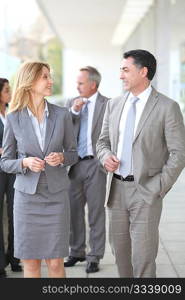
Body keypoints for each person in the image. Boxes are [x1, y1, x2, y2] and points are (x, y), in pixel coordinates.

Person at [96, 49, 185, 278]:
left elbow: (179, 153)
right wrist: (106, 157)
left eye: (125, 70)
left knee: (143, 259)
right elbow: (102, 142)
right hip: (115, 191)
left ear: (143, 71)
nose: (120, 75)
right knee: (121, 257)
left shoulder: (167, 107)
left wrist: (159, 186)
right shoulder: (114, 104)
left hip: (146, 190)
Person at [1, 62, 78, 278]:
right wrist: (24, 163)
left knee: (55, 264)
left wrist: (62, 157)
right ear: (30, 81)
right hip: (27, 200)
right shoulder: (14, 117)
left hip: (56, 197)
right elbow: (5, 161)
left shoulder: (62, 114)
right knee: (31, 264)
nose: (50, 81)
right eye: (45, 77)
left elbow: (73, 153)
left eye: (49, 76)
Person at [65, 66, 109, 273]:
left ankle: (95, 256)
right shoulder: (71, 104)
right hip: (74, 164)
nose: (77, 86)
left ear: (93, 84)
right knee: (73, 210)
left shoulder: (108, 104)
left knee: (96, 212)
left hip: (96, 164)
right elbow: (63, 128)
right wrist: (74, 111)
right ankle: (76, 251)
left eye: (81, 83)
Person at [0, 78, 22, 278]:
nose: (10, 92)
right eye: (7, 90)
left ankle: (14, 258)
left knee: (15, 213)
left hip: (13, 169)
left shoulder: (12, 112)